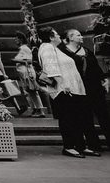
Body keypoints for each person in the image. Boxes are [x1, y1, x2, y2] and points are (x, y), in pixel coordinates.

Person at [38, 26, 97, 158]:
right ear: (51, 37)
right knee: (68, 118)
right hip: (64, 90)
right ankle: (69, 146)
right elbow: (50, 66)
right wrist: (62, 84)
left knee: (76, 118)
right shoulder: (47, 47)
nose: (60, 37)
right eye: (57, 35)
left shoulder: (55, 49)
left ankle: (80, 146)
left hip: (72, 89)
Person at [58, 29, 110, 153]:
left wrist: (103, 78)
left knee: (103, 114)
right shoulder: (63, 52)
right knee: (85, 116)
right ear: (70, 38)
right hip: (78, 87)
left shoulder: (87, 51)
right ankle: (91, 145)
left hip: (94, 87)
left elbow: (95, 66)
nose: (81, 37)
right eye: (78, 35)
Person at [14, 31, 47, 117]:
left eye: (16, 38)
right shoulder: (22, 48)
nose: (15, 40)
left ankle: (40, 110)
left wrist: (15, 60)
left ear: (20, 39)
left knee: (33, 91)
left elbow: (29, 61)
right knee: (30, 92)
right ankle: (36, 109)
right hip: (25, 74)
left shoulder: (24, 48)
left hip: (28, 73)